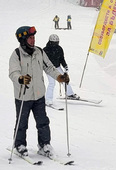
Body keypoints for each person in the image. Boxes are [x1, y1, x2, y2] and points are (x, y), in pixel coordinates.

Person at [9, 26, 69, 158]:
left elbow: (49, 68)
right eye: (30, 38)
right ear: (23, 40)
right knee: (22, 122)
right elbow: (13, 72)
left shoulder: (39, 52)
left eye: (33, 37)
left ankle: (44, 145)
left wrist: (60, 77)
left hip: (39, 95)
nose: (33, 40)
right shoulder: (16, 55)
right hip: (23, 96)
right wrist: (20, 79)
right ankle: (20, 145)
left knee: (43, 122)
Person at [43, 33, 76, 106]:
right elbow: (43, 61)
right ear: (50, 42)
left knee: (64, 79)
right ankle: (48, 99)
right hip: (49, 69)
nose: (56, 44)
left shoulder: (59, 48)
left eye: (57, 42)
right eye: (54, 43)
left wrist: (65, 66)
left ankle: (70, 94)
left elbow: (62, 59)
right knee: (52, 83)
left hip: (57, 67)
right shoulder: (45, 50)